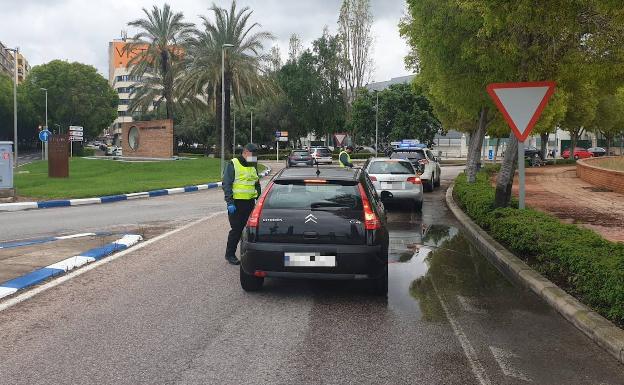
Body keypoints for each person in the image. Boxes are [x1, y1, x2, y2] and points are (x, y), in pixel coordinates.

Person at [222, 143, 261, 265]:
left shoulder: (253, 164)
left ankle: (248, 254)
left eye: (255, 153)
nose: (254, 155)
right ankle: (229, 254)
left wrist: (259, 199)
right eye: (252, 153)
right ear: (245, 152)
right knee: (237, 230)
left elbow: (256, 183)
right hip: (236, 204)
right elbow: (226, 184)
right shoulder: (233, 163)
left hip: (250, 203)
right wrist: (229, 202)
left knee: (249, 231)